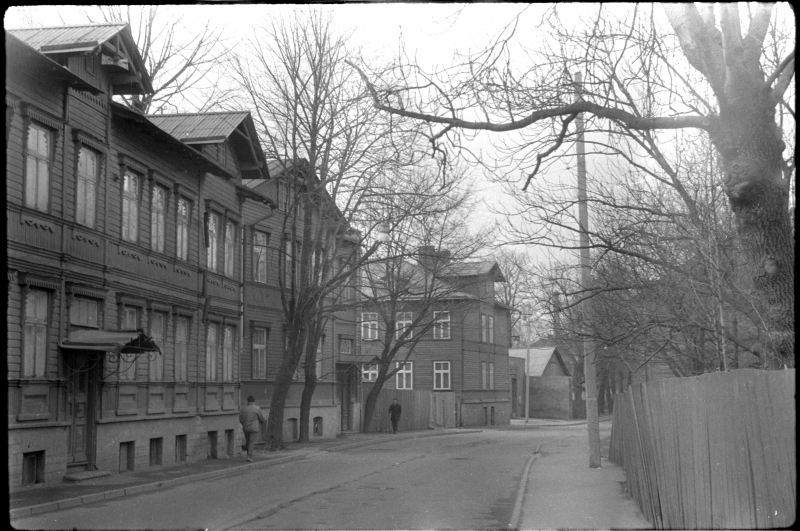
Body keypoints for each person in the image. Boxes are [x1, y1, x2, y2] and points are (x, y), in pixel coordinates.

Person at [239, 395, 266, 461]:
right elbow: (262, 418)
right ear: (254, 401)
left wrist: (244, 423)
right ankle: (249, 456)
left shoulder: (243, 409)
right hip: (254, 428)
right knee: (251, 441)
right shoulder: (257, 408)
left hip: (246, 427)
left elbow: (240, 419)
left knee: (248, 441)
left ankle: (248, 454)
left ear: (247, 401)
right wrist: (263, 422)